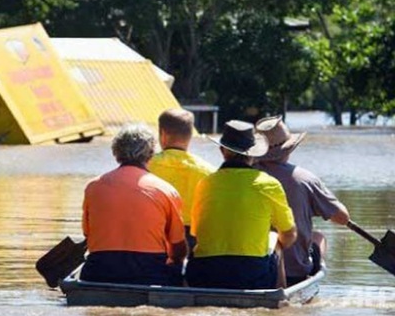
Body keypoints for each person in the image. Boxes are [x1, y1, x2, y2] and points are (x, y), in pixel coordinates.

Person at [186, 120, 297, 289]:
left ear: (222, 151)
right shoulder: (269, 184)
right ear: (253, 154)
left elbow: (195, 232)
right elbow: (289, 235)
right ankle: (279, 301)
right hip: (252, 276)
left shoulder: (205, 183)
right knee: (276, 240)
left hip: (206, 275)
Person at [81, 123, 188, 286]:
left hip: (99, 271)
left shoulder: (93, 187)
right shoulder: (166, 190)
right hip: (149, 273)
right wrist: (175, 260)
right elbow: (178, 248)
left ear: (116, 152)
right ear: (150, 154)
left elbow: (88, 234)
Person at [255, 115, 350, 286]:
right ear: (289, 148)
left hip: (252, 267)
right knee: (318, 236)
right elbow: (343, 218)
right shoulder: (304, 179)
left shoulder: (245, 176)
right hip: (293, 274)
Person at [148, 108, 214, 250]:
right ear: (190, 136)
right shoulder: (208, 171)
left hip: (156, 237)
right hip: (193, 242)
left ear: (163, 134)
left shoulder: (146, 166)